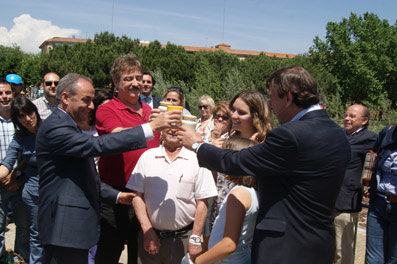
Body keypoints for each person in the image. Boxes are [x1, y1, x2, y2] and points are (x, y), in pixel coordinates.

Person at [178, 66, 351, 264]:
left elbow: (238, 161)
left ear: (287, 97)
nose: (270, 105)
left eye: (271, 97)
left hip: (285, 249)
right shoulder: (338, 134)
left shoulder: (290, 135)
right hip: (318, 245)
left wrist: (197, 145)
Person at [35, 72, 181, 264]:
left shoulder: (69, 124)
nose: (92, 106)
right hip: (64, 228)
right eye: (86, 100)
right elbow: (97, 146)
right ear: (65, 98)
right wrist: (150, 128)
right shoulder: (56, 127)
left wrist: (118, 196)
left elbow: (82, 176)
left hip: (72, 229)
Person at [94, 54, 161, 264]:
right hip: (116, 196)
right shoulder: (106, 109)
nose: (135, 83)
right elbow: (118, 136)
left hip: (145, 196)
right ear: (116, 82)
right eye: (128, 78)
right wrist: (150, 127)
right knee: (108, 253)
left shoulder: (151, 112)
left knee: (141, 255)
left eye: (138, 78)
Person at [127, 128, 217, 264]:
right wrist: (147, 231)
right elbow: (136, 196)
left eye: (178, 126)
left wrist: (195, 239)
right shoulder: (147, 156)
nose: (173, 130)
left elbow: (202, 203)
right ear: (161, 130)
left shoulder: (197, 159)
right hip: (150, 237)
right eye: (169, 125)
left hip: (184, 239)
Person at [210, 91, 273, 231]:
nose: (233, 115)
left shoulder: (266, 145)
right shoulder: (226, 140)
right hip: (220, 210)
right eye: (232, 110)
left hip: (248, 219)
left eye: (241, 112)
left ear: (256, 116)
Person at [195, 136, 258, 264]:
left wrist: (199, 261)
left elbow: (229, 244)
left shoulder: (239, 194)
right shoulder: (250, 191)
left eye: (226, 156)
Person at [0, 96, 44, 263]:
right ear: (16, 120)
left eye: (29, 113)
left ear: (35, 111)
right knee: (37, 235)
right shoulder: (20, 137)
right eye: (21, 116)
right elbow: (7, 164)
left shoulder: (50, 129)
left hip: (56, 190)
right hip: (33, 193)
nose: (27, 119)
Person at [333, 104, 376, 264]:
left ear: (364, 121)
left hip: (345, 202)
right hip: (325, 200)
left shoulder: (370, 138)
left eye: (352, 116)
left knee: (341, 252)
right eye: (346, 115)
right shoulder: (336, 134)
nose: (346, 119)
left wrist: (371, 184)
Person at [0, 78, 30, 262]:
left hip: (20, 182)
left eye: (8, 93)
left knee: (24, 227)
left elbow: (29, 151)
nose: (4, 97)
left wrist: (15, 175)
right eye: (0, 93)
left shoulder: (21, 120)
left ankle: (19, 259)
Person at [365, 124, 397, 263]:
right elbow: (372, 157)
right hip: (378, 203)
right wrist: (368, 184)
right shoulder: (388, 133)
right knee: (373, 259)